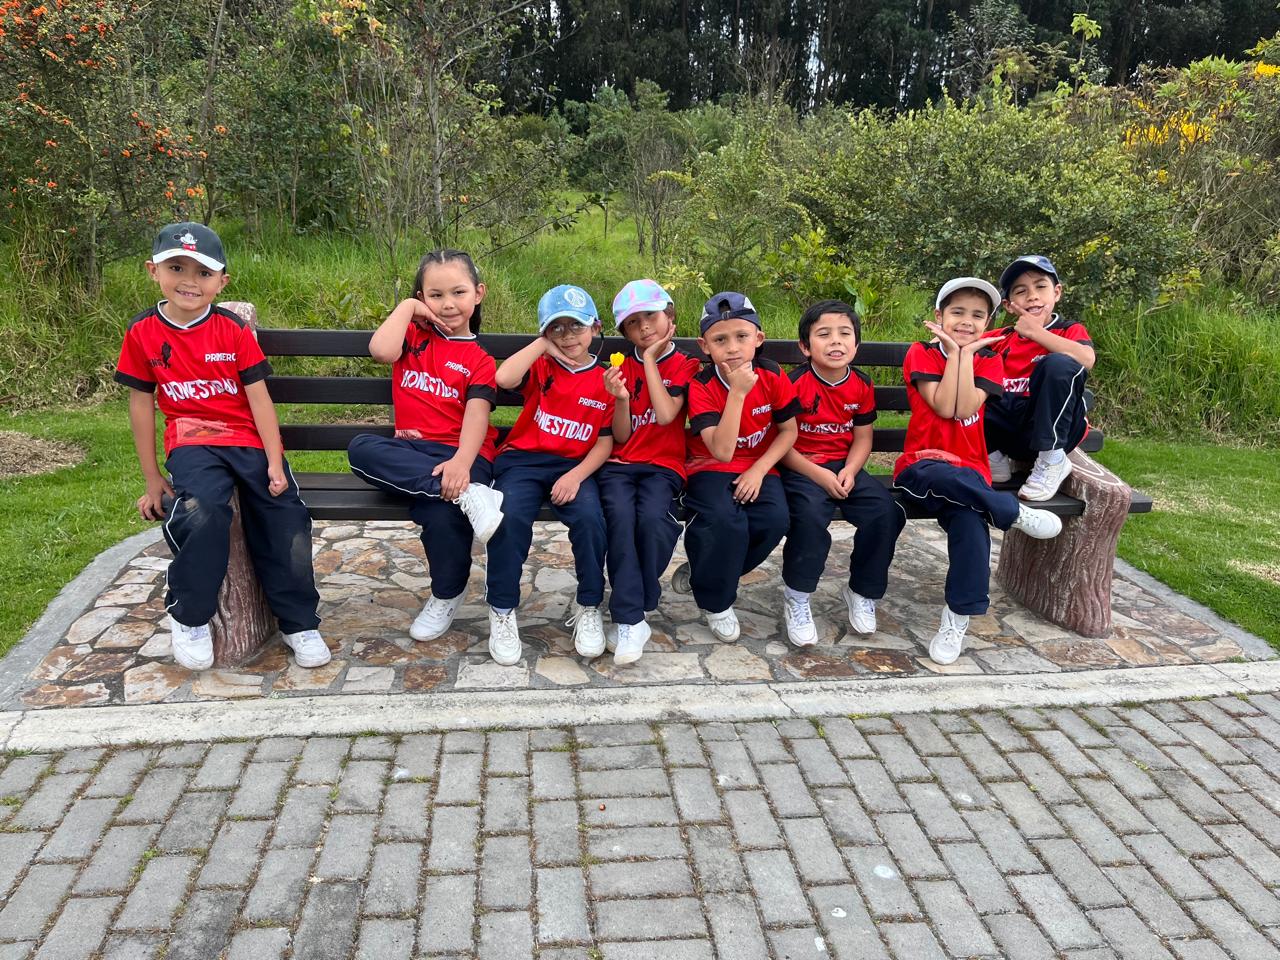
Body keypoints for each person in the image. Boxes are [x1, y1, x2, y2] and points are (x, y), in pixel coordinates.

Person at [114, 222, 327, 672]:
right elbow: (141, 404)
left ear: (222, 281)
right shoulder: (142, 331)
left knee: (284, 513)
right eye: (176, 268)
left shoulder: (231, 329)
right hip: (191, 441)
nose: (190, 281)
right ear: (153, 271)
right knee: (203, 511)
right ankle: (190, 615)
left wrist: (275, 462)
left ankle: (299, 622)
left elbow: (259, 399)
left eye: (203, 272)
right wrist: (152, 478)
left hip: (246, 439)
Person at [893, 277, 1064, 666]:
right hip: (923, 464)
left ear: (988, 322)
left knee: (971, 525)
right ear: (939, 316)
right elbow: (944, 407)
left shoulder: (989, 359)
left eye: (977, 315)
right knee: (942, 478)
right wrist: (956, 354)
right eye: (957, 312)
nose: (967, 321)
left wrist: (965, 354)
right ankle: (1012, 512)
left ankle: (956, 619)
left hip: (970, 470)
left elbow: (965, 407)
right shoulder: (921, 353)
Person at [347, 249, 505, 642]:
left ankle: (446, 593)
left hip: (464, 454)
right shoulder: (413, 337)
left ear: (478, 294)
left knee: (440, 512)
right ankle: (468, 496)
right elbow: (380, 351)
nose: (448, 304)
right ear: (422, 298)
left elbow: (477, 416)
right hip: (413, 455)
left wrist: (461, 464)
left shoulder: (480, 360)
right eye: (435, 295)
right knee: (361, 448)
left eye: (458, 292)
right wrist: (407, 307)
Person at [484, 285, 614, 665]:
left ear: (595, 327)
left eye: (577, 326)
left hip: (573, 466)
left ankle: (588, 605)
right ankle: (502, 608)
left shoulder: (606, 378)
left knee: (591, 519)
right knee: (509, 518)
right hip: (523, 462)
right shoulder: (542, 366)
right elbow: (504, 378)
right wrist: (542, 345)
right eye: (556, 328)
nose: (568, 335)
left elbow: (605, 443)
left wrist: (576, 476)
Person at [672, 292, 800, 642]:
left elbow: (789, 431)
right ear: (704, 346)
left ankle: (706, 570)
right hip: (710, 466)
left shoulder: (772, 374)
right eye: (720, 340)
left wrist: (759, 470)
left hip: (759, 465)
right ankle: (716, 603)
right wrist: (738, 394)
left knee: (775, 520)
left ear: (758, 338)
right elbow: (723, 451)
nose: (732, 348)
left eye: (742, 336)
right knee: (725, 522)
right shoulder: (701, 385)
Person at [778, 300, 906, 646]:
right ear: (805, 346)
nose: (835, 341)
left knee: (885, 513)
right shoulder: (793, 384)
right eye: (824, 334)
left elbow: (863, 437)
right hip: (802, 466)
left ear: (856, 344)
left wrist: (851, 469)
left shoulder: (861, 384)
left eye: (844, 333)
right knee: (808, 517)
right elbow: (781, 444)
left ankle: (862, 591)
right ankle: (797, 595)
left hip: (844, 466)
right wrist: (819, 475)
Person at [599, 280, 701, 664]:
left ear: (670, 316)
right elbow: (622, 435)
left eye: (650, 316)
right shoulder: (619, 367)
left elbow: (665, 414)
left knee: (655, 522)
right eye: (632, 322)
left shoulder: (686, 364)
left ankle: (637, 603)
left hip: (664, 466)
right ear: (624, 332)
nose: (643, 327)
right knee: (620, 518)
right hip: (620, 466)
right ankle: (631, 618)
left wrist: (649, 362)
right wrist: (621, 399)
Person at [985, 255, 1095, 501]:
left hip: (1056, 431)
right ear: (1009, 305)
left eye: (1040, 286)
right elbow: (961, 339)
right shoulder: (1002, 338)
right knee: (971, 363)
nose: (1032, 296)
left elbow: (1086, 358)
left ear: (1056, 292)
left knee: (1059, 363)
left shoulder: (1069, 330)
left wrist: (1035, 332)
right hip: (1011, 434)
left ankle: (1052, 460)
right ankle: (993, 456)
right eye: (1021, 291)